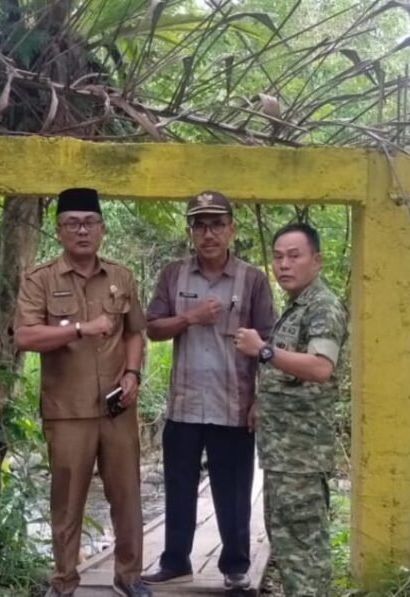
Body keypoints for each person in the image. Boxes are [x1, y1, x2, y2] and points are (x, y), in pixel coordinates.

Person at [14, 187, 152, 597]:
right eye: (72, 223)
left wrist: (132, 374)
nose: (82, 230)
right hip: (67, 410)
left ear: (102, 229)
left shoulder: (121, 276)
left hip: (117, 409)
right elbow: (24, 335)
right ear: (58, 230)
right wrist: (78, 328)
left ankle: (129, 577)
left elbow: (135, 332)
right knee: (67, 503)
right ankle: (64, 581)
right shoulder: (40, 279)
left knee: (126, 496)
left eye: (90, 222)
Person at [141, 191, 275, 594]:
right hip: (184, 403)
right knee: (178, 486)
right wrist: (190, 317)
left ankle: (235, 566)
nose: (209, 233)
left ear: (232, 229)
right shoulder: (172, 274)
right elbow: (152, 328)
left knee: (233, 490)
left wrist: (260, 400)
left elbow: (270, 342)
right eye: (200, 225)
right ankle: (175, 561)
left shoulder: (253, 279)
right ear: (191, 232)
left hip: (233, 404)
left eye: (217, 224)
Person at [234, 221, 348, 597]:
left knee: (304, 552)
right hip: (283, 453)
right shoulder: (296, 307)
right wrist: (261, 403)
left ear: (316, 260)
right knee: (287, 546)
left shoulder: (322, 307)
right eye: (278, 257)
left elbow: (320, 367)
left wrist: (263, 350)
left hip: (301, 455)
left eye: (294, 256)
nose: (284, 264)